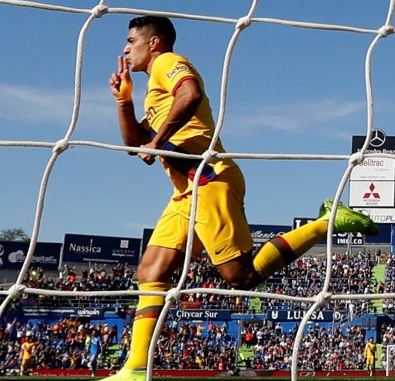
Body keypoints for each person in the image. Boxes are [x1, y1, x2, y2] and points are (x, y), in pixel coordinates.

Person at [104, 15, 378, 381]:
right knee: (151, 271)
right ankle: (136, 368)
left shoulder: (168, 63)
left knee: (241, 277)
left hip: (209, 181)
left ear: (154, 43)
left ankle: (324, 224)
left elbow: (191, 94)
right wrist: (124, 101)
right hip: (185, 191)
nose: (125, 49)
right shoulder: (152, 87)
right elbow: (133, 146)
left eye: (130, 40)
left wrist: (156, 140)